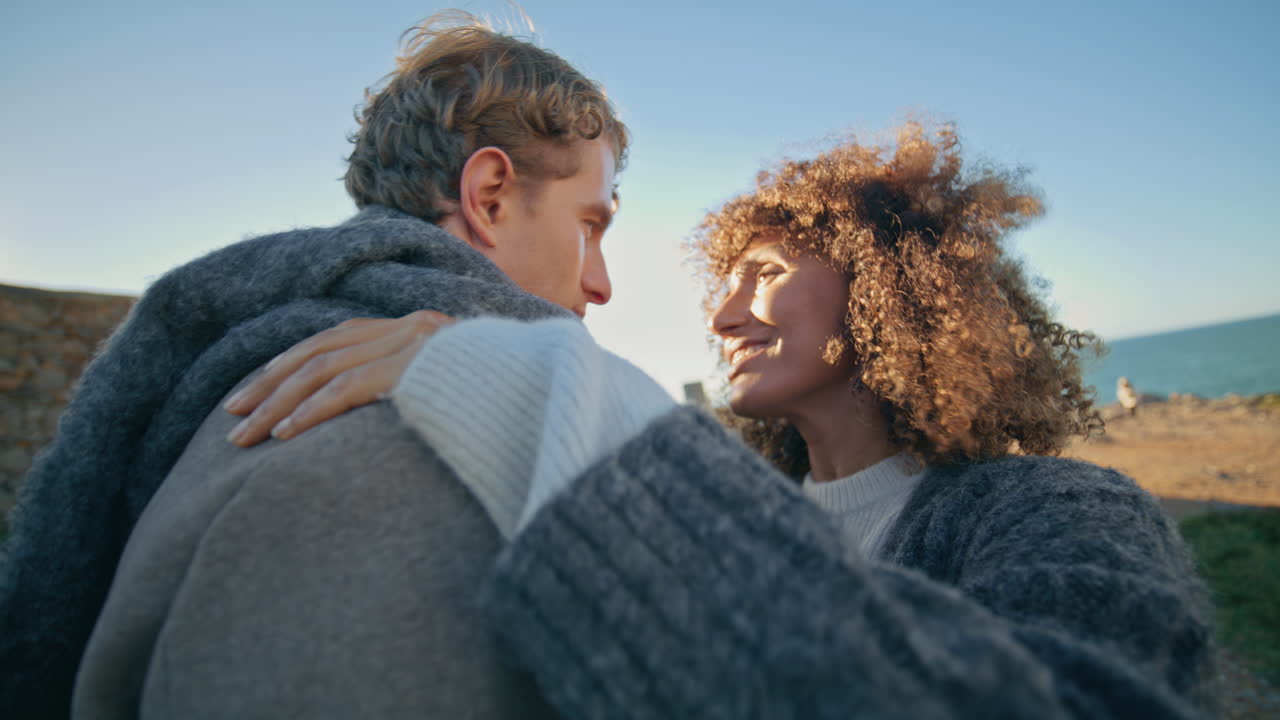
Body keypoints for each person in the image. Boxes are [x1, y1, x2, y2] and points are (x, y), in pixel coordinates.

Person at [233, 123, 1216, 718]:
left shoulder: (1057, 511)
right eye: (726, 278)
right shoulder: (732, 494)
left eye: (770, 272)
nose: (722, 311)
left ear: (884, 293)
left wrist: (551, 391)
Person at [0, 13, 661, 719]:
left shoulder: (245, 376)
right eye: (589, 227)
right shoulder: (407, 447)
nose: (601, 283)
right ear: (490, 197)